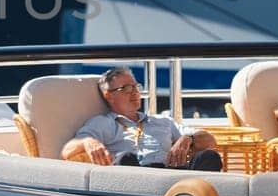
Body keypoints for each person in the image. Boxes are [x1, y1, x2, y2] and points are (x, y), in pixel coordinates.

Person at [61, 67, 223, 170]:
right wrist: (87, 142)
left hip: (171, 174)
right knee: (125, 158)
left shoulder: (162, 121)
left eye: (136, 87)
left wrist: (188, 139)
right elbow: (67, 151)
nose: (134, 92)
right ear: (109, 96)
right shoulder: (103, 123)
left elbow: (210, 140)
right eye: (126, 88)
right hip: (133, 177)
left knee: (209, 157)